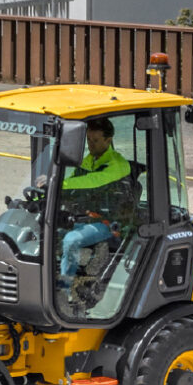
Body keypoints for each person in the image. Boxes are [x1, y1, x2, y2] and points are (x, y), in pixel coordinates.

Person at [58, 117, 133, 279]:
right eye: (89, 140)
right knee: (45, 230)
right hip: (85, 218)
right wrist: (44, 194)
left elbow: (93, 181)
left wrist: (58, 184)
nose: (90, 145)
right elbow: (72, 184)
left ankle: (64, 288)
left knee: (71, 240)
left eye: (96, 141)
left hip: (107, 222)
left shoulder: (117, 165)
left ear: (108, 140)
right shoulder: (90, 160)